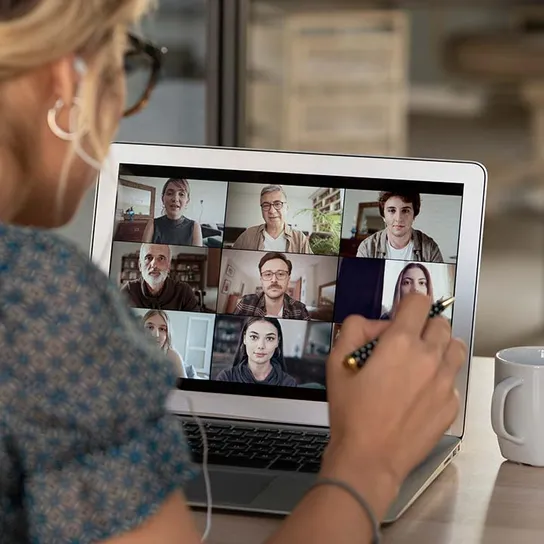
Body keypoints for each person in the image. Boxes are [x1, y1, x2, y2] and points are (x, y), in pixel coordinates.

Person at [0, 1, 467, 542]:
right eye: (124, 59)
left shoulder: (308, 276)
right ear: (68, 76)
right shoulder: (44, 298)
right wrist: (370, 462)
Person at [356, 191, 443, 262]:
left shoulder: (430, 248)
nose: (398, 218)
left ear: (414, 216)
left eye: (405, 211)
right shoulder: (367, 247)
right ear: (383, 216)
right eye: (392, 210)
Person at [215, 317, 296, 387]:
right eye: (254, 337)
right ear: (244, 339)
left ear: (277, 342)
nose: (261, 346)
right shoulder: (226, 378)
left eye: (270, 338)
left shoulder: (288, 383)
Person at [232, 184, 312, 254]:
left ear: (286, 208)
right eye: (266, 205)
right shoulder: (248, 235)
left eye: (277, 204)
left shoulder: (300, 239)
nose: (272, 211)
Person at [121, 243, 199, 311]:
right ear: (140, 265)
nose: (154, 265)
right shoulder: (128, 291)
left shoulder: (184, 292)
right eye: (148, 258)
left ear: (168, 266)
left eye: (161, 258)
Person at [233, 252, 310, 320]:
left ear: (288, 280)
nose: (274, 280)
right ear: (261, 280)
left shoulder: (300, 309)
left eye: (280, 274)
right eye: (267, 274)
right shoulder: (246, 302)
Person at [143, 178, 203, 247]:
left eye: (181, 194)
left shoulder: (194, 227)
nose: (175, 199)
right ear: (163, 199)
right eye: (170, 193)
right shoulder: (152, 224)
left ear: (187, 201)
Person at [142, 309, 187, 378]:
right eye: (150, 327)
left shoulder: (173, 357)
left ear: (167, 334)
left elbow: (184, 387)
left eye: (162, 329)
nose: (156, 335)